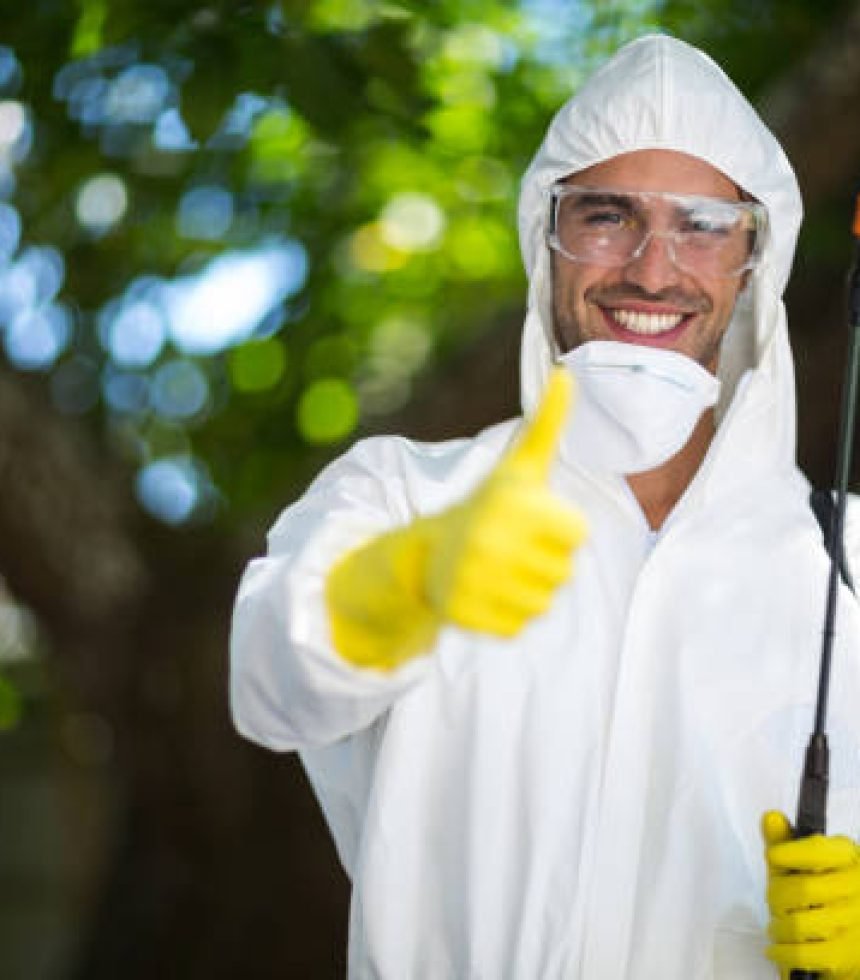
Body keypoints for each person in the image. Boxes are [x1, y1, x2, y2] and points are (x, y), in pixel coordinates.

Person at [229, 34, 860, 979]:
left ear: (753, 263)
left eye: (700, 224)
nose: (652, 268)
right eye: (606, 216)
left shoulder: (845, 563)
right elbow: (270, 679)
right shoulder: (408, 494)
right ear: (546, 241)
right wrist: (401, 586)